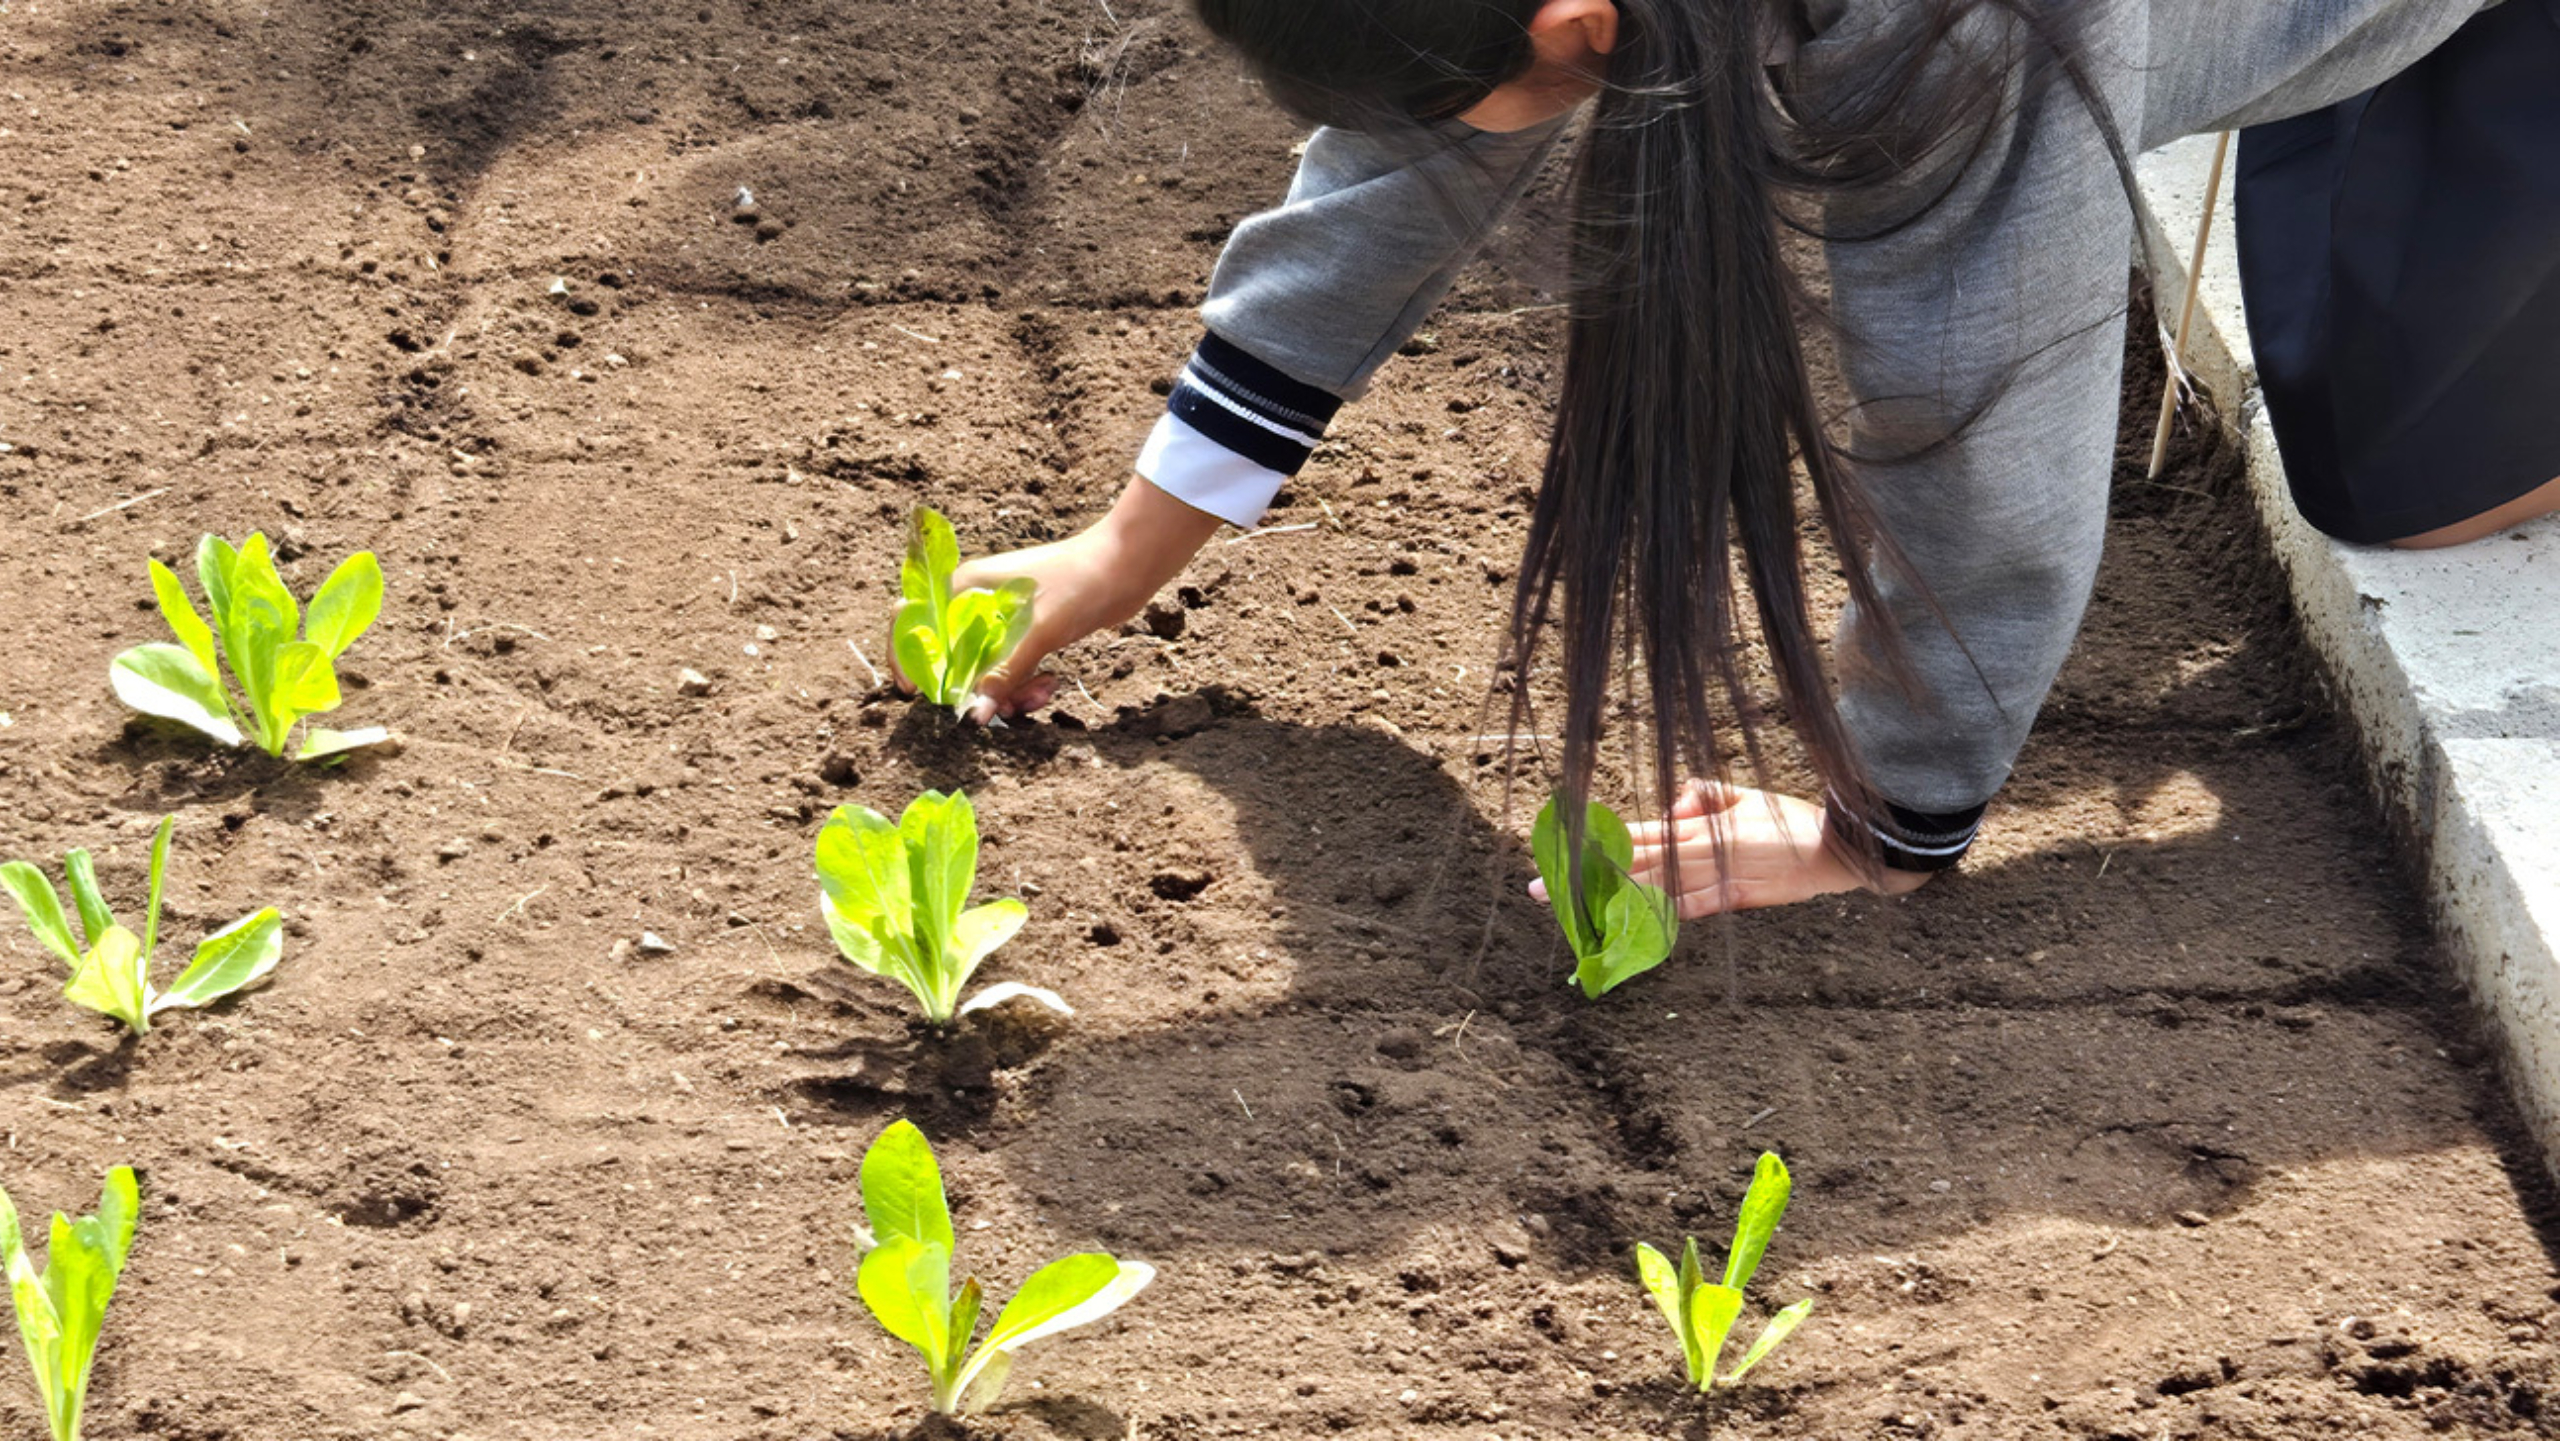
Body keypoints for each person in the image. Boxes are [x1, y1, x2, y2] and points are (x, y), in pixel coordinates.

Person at [926, 0, 2558, 918]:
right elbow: (1405, 160)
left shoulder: (1954, 31)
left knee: (2400, 484)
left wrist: (1886, 816)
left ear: (1580, 23)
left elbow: (1978, 399)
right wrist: (1138, 534)